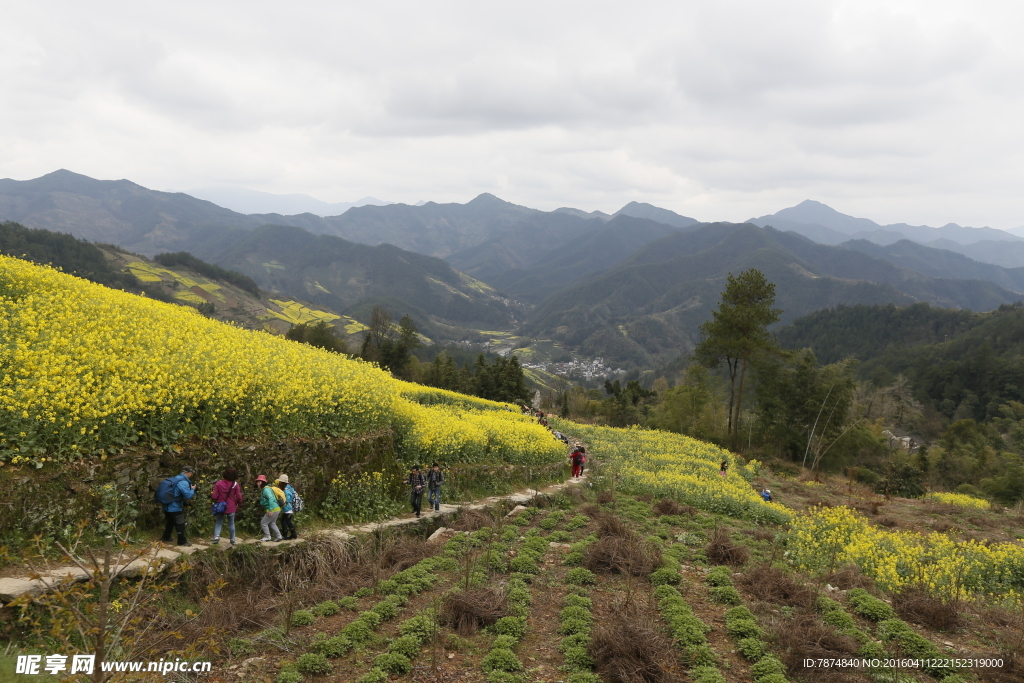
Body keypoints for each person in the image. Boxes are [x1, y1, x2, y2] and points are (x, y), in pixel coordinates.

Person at [160, 466, 197, 546]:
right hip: (174, 506)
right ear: (189, 473)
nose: (191, 475)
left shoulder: (175, 478)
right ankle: (182, 541)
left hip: (166, 504)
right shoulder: (183, 482)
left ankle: (166, 537)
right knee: (180, 523)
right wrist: (192, 489)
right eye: (191, 473)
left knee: (170, 521)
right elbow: (188, 495)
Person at [210, 467, 243, 545]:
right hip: (231, 507)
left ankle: (216, 537)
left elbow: (214, 496)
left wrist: (218, 500)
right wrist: (239, 503)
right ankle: (232, 539)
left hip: (220, 506)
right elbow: (239, 497)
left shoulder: (218, 483)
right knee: (231, 523)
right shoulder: (235, 484)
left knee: (218, 522)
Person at [256, 474, 283, 542]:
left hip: (273, 509)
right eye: (257, 482)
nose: (258, 483)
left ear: (263, 482)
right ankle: (279, 536)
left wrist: (270, 510)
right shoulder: (267, 488)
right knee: (272, 523)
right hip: (277, 508)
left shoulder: (266, 490)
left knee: (263, 522)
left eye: (259, 482)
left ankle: (267, 536)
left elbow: (270, 499)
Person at [277, 474, 298, 540]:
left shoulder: (286, 490)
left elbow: (288, 499)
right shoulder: (289, 487)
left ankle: (285, 535)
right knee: (288, 521)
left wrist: (282, 501)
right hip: (290, 508)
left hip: (287, 508)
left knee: (283, 521)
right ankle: (293, 534)